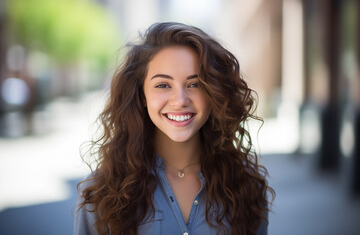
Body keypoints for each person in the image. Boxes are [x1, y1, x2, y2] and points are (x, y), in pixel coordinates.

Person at [74, 22, 274, 235]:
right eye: (163, 85)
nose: (180, 100)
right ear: (142, 95)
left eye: (195, 84)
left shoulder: (246, 187)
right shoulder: (101, 192)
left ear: (213, 93)